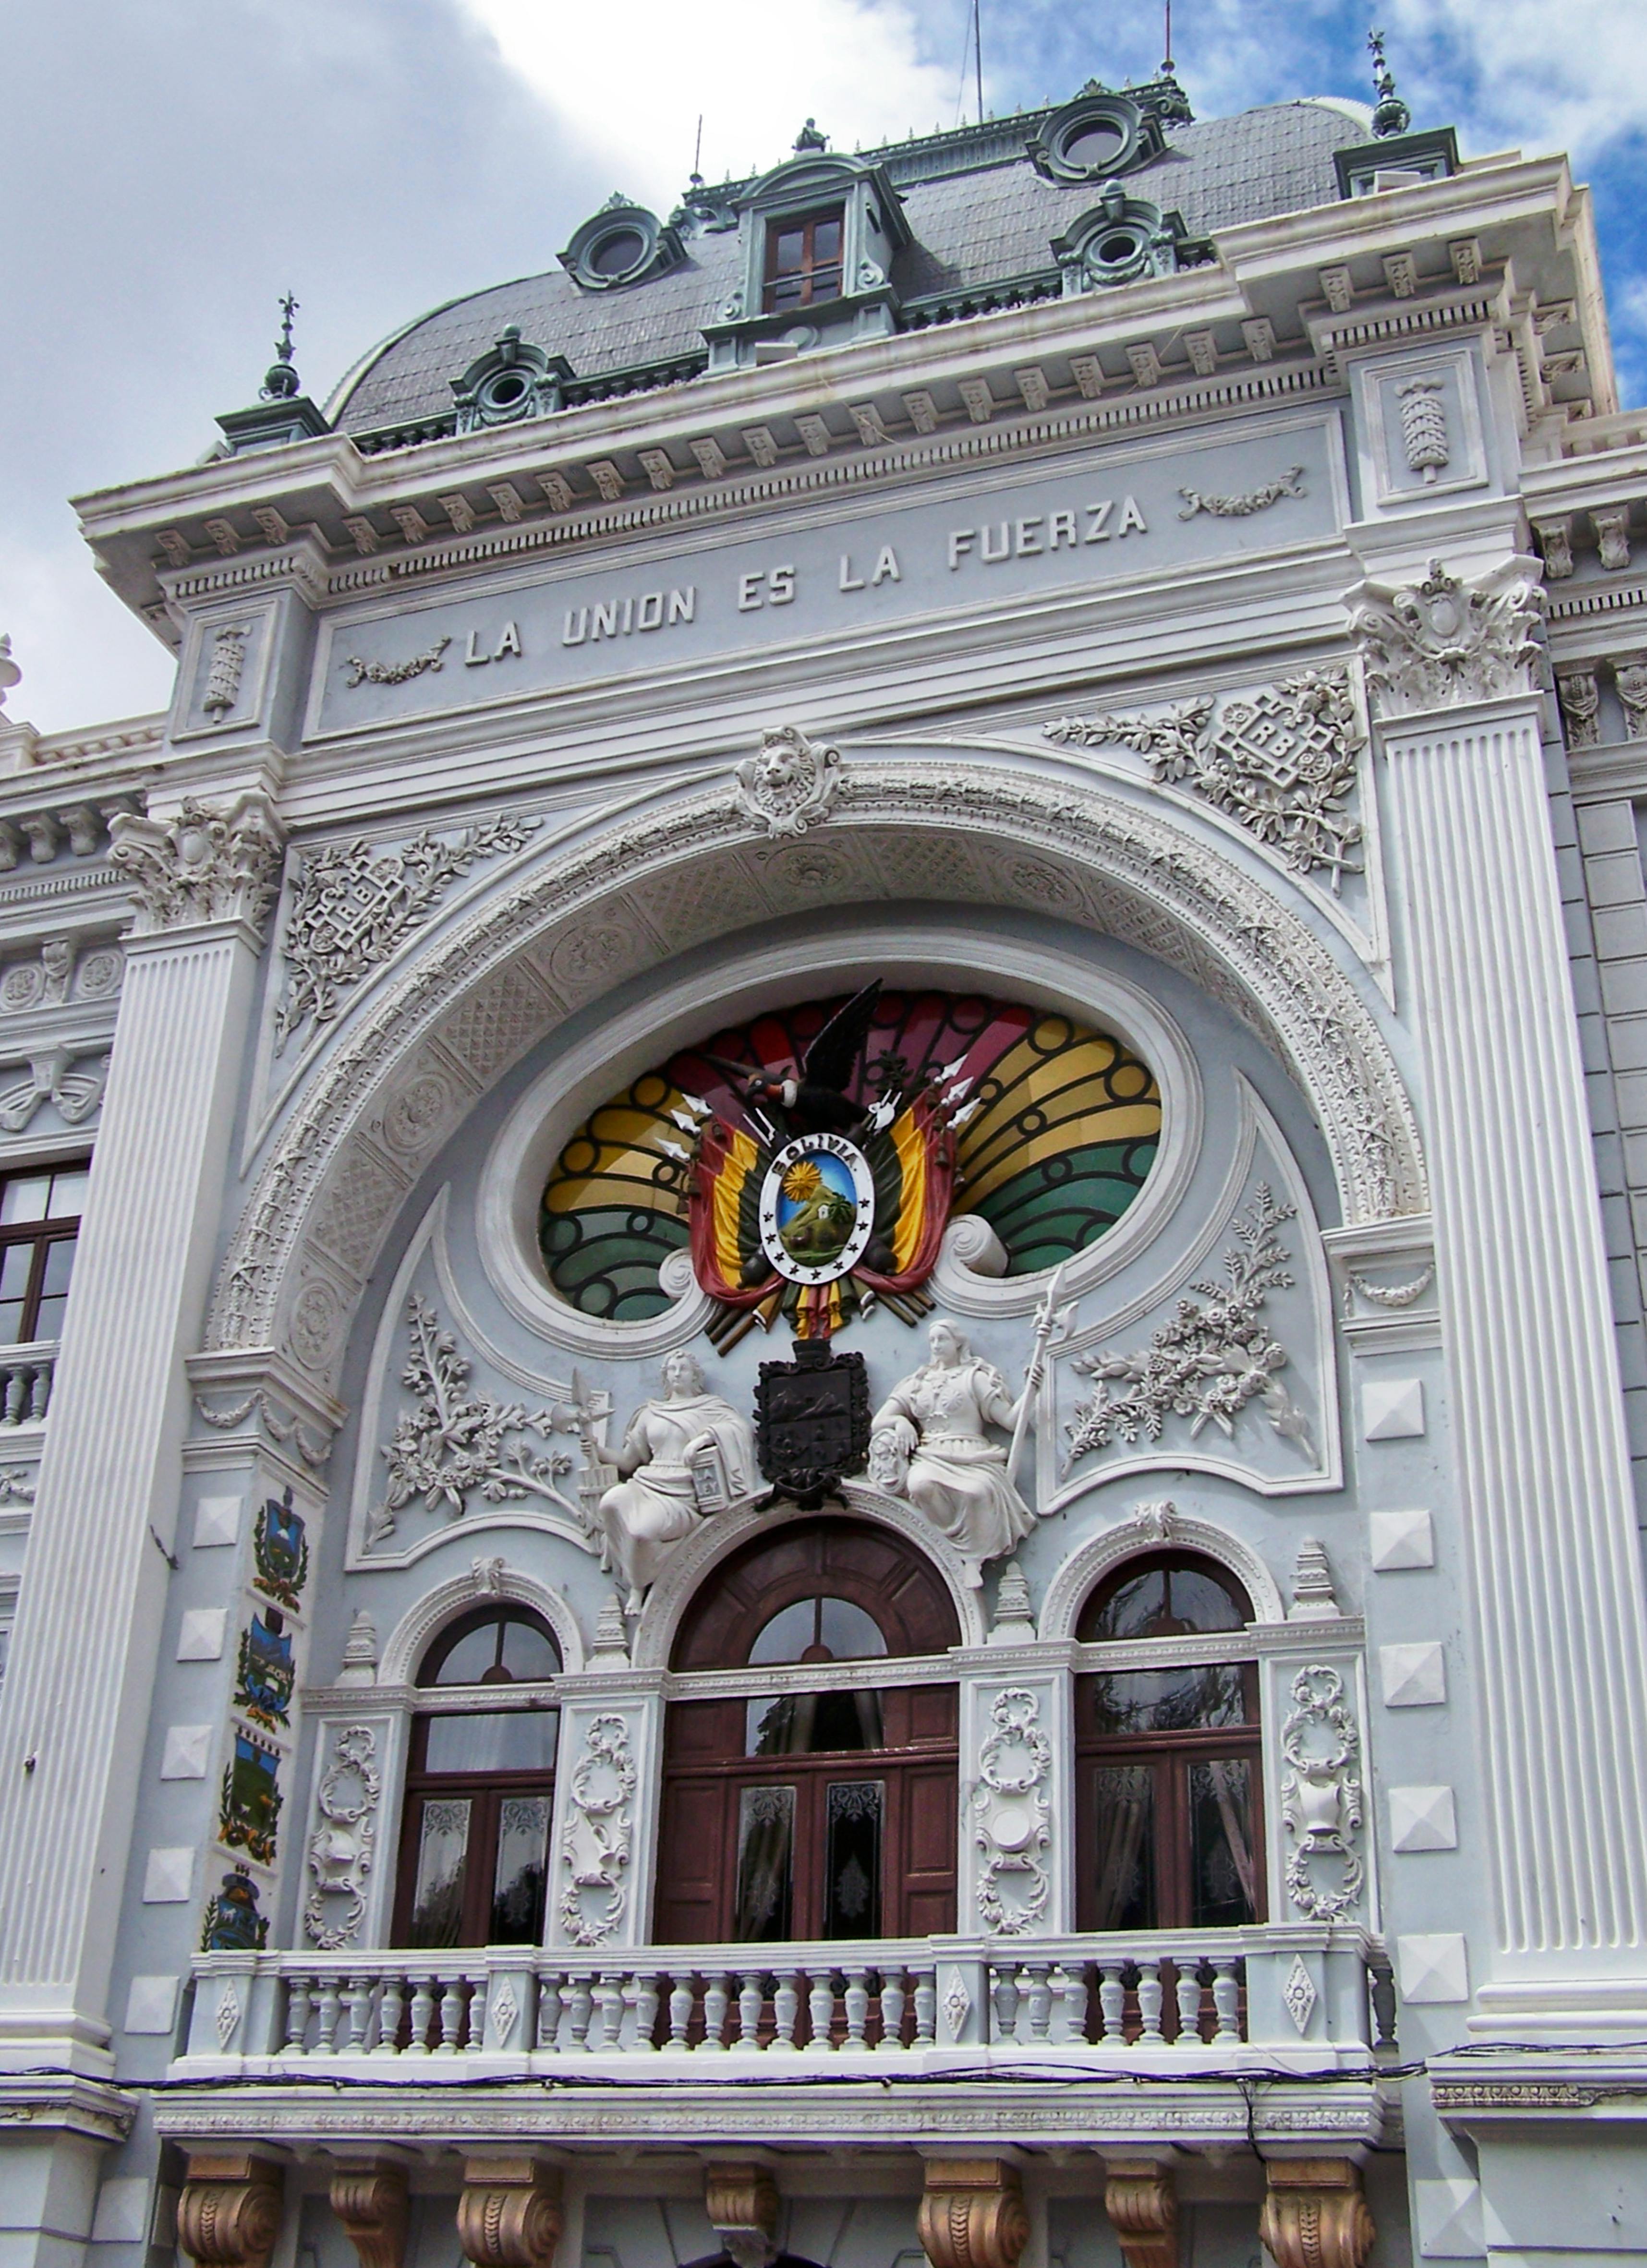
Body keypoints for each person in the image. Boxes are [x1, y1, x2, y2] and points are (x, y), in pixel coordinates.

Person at [870, 1319, 1041, 1564]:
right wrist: (901, 1422)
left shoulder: (974, 1378)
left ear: (958, 1343)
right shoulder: (918, 1382)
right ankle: (946, 1549)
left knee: (978, 1492)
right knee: (920, 1485)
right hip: (930, 1455)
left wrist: (1032, 1391)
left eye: (943, 1339)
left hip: (972, 1455)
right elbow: (879, 1421)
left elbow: (1011, 1421)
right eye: (933, 1340)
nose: (936, 1345)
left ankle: (973, 1559)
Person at [595, 1350, 756, 1609]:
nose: (678, 1374)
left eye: (684, 1369)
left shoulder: (710, 1408)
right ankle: (635, 1574)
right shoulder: (650, 1413)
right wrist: (595, 1449)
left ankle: (639, 1585)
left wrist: (705, 1438)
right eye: (672, 1369)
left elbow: (739, 1428)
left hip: (681, 1492)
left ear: (695, 1375)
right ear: (666, 1376)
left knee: (640, 1532)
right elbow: (627, 1462)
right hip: (646, 1482)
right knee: (610, 1503)